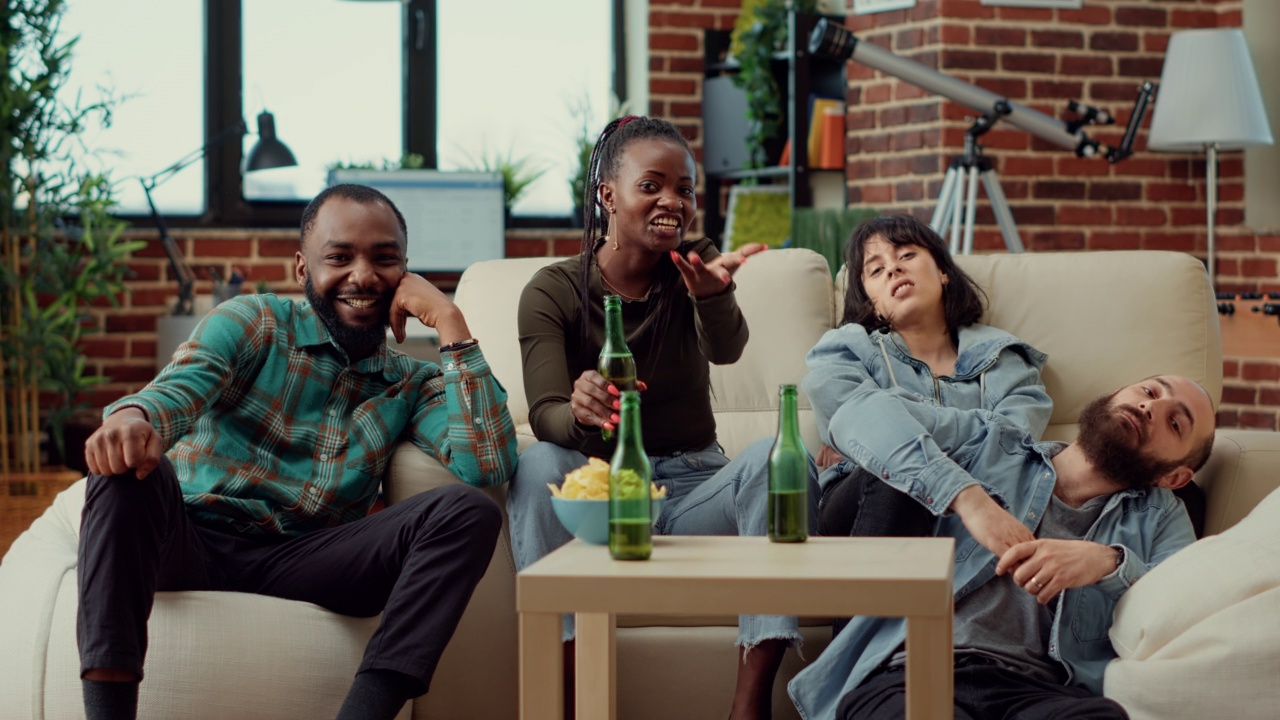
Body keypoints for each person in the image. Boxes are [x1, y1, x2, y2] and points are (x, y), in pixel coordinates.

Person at [76, 184, 518, 720]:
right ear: (301, 270)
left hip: (308, 558)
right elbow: (175, 394)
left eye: (384, 259)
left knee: (467, 511)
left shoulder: (413, 382)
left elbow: (488, 463)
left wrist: (450, 320)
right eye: (339, 257)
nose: (362, 276)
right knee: (124, 473)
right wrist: (132, 419)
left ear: (406, 272)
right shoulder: (254, 322)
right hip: (194, 537)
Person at [505, 115, 818, 720]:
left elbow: (726, 350)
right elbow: (544, 415)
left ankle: (748, 706)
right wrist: (579, 410)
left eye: (685, 188)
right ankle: (571, 702)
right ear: (608, 195)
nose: (672, 201)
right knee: (537, 462)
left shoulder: (694, 265)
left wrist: (711, 293)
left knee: (778, 458)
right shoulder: (553, 291)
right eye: (651, 185)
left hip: (696, 486)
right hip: (605, 498)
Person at [787, 374, 1216, 719]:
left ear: (1174, 477)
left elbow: (1185, 613)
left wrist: (1107, 563)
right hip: (911, 671)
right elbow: (859, 414)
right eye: (1149, 390)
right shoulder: (988, 440)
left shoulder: (1161, 517)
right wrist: (968, 498)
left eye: (1174, 423)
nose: (1150, 407)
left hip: (1037, 693)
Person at [806, 214, 1052, 545]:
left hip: (988, 502)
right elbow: (852, 417)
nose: (893, 269)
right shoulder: (845, 349)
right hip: (862, 501)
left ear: (943, 271)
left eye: (907, 255)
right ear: (870, 302)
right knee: (891, 472)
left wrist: (892, 414)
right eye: (876, 270)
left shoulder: (1003, 357)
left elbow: (1012, 448)